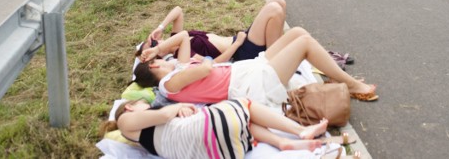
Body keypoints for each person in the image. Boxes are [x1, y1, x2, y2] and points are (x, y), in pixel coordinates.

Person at [134, 26, 378, 107]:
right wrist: (200, 62)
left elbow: (184, 35)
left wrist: (157, 48)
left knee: (297, 32)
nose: (165, 60)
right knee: (303, 42)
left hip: (246, 71)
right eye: (158, 61)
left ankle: (333, 74)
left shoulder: (176, 71)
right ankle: (352, 84)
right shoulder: (167, 84)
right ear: (154, 69)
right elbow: (207, 69)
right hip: (250, 85)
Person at [102, 98, 328, 158]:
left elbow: (165, 120)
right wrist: (178, 106)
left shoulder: (149, 141)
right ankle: (299, 130)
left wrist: (178, 111)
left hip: (221, 153)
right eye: (142, 103)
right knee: (244, 104)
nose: (147, 104)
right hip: (209, 133)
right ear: (130, 107)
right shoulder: (125, 123)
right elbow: (161, 114)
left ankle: (283, 143)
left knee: (242, 122)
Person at [138, 0, 287, 63]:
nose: (155, 42)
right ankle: (276, 60)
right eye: (153, 45)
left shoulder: (176, 37)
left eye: (152, 41)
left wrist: (160, 27)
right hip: (243, 50)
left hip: (241, 39)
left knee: (277, 1)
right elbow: (214, 64)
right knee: (274, 9)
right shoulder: (182, 55)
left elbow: (178, 11)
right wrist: (237, 44)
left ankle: (280, 54)